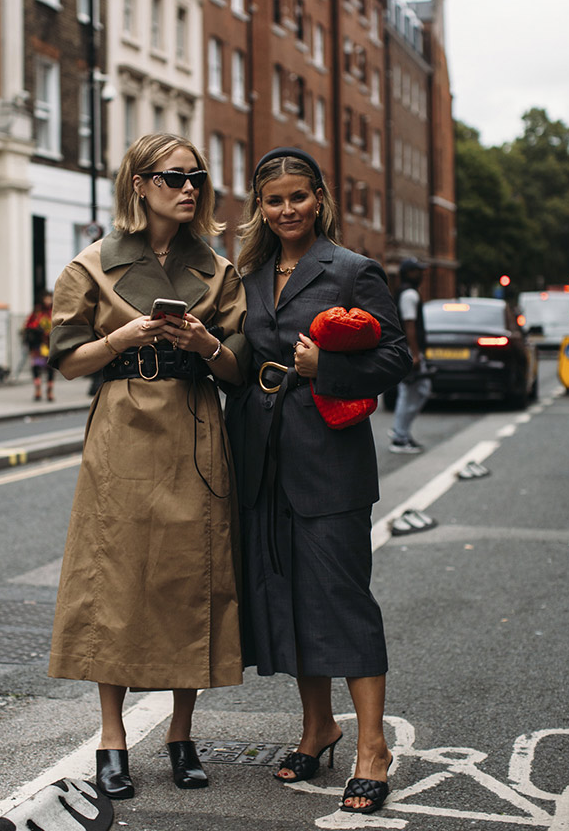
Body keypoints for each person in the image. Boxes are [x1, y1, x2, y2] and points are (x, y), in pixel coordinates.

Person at [47, 133, 249, 800]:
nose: (188, 187)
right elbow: (68, 359)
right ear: (139, 184)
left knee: (188, 577)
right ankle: (111, 739)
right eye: (173, 176)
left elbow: (239, 368)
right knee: (116, 580)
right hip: (122, 430)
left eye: (196, 175)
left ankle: (181, 735)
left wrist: (206, 340)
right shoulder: (91, 266)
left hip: (194, 426)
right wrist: (124, 336)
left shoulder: (217, 270)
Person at [225, 148, 412, 814]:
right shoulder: (246, 275)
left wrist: (321, 370)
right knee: (287, 596)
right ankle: (317, 727)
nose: (285, 211)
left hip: (328, 456)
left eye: (296, 197)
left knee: (340, 596)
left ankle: (371, 748)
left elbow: (396, 356)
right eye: (273, 200)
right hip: (260, 453)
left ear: (318, 198)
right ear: (259, 206)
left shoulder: (351, 270)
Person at [389, 257, 431, 454]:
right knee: (411, 392)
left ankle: (402, 432)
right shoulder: (409, 295)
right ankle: (399, 437)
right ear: (409, 273)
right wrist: (415, 354)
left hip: (406, 349)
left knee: (417, 390)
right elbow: (410, 326)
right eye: (418, 271)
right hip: (408, 350)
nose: (421, 274)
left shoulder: (405, 292)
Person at [23, 290, 55, 401]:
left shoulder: (54, 311)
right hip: (38, 344)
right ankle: (38, 390)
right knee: (36, 367)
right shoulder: (37, 312)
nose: (48, 301)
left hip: (50, 345)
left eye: (50, 298)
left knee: (51, 368)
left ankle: (50, 391)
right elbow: (29, 325)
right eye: (46, 298)